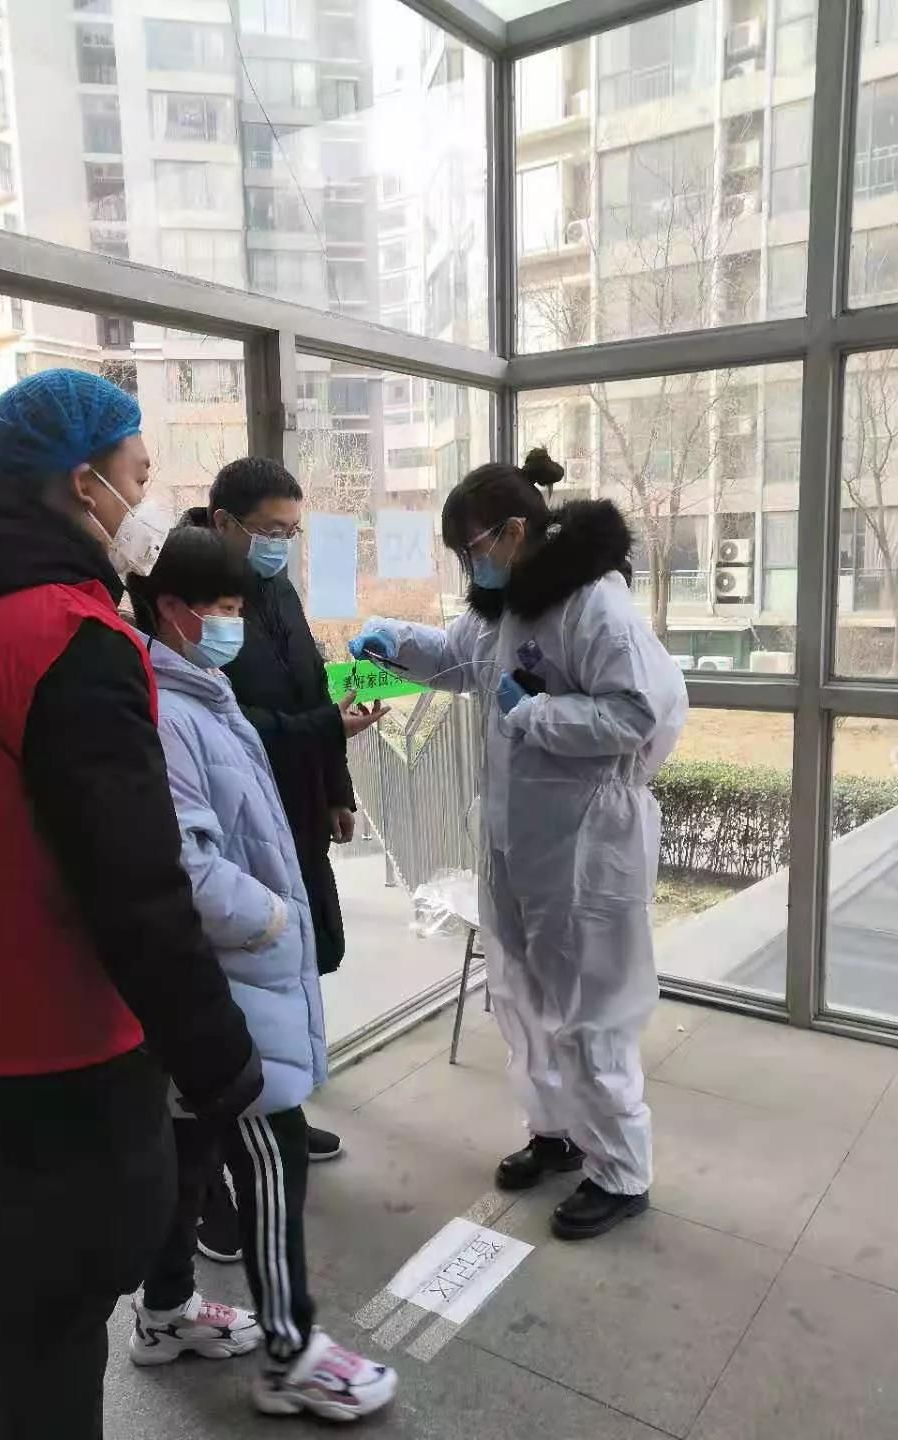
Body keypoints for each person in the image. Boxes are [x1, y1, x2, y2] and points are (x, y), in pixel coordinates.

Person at [0, 370, 263, 1440]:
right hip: (56, 1079)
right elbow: (137, 889)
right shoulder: (66, 639)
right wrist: (220, 1059)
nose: (146, 502)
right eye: (139, 478)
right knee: (52, 1348)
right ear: (82, 481)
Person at [349, 450, 688, 1242]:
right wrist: (394, 643)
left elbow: (643, 714)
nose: (471, 564)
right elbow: (458, 662)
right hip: (517, 834)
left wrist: (534, 714)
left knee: (591, 1006)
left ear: (511, 531)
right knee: (522, 993)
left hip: (588, 841)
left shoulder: (593, 606)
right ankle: (556, 1131)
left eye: (472, 547)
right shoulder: (502, 609)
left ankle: (620, 1170)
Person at [126, 527, 398, 1421]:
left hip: (227, 977)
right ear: (174, 610)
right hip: (226, 979)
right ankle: (290, 1354)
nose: (234, 623)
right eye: (225, 608)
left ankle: (164, 1312)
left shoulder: (205, 695)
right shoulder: (166, 714)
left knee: (192, 1150)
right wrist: (276, 918)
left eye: (242, 608)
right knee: (273, 1149)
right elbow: (188, 867)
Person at [180, 457, 386, 1260]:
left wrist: (336, 786)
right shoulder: (193, 603)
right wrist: (325, 730)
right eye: (271, 531)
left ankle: (282, 1108)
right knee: (232, 994)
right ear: (224, 522)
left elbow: (309, 695)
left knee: (297, 968)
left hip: (294, 813)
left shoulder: (278, 591)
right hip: (235, 829)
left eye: (292, 533)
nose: (282, 547)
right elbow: (237, 728)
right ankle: (212, 1189)